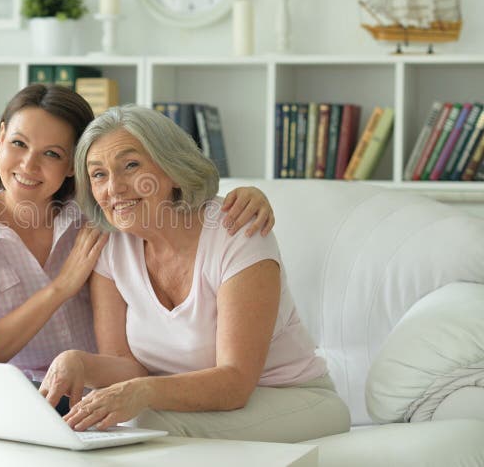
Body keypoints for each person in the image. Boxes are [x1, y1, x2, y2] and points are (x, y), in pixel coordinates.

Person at [0, 85, 277, 419]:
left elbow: (171, 194)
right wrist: (60, 288)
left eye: (51, 153)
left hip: (91, 391)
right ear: (1, 137)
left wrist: (248, 195)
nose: (28, 165)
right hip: (14, 389)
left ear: (71, 166)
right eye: (18, 143)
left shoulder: (101, 214)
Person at [39, 104, 351, 443]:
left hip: (293, 398)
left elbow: (235, 382)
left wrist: (140, 392)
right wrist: (78, 363)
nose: (113, 188)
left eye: (131, 166)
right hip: (182, 408)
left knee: (146, 427)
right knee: (125, 424)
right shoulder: (111, 247)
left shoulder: (236, 230)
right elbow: (125, 366)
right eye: (98, 174)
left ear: (172, 169)